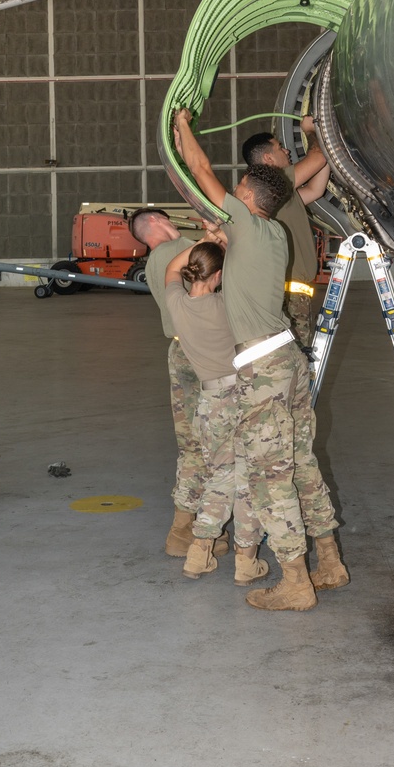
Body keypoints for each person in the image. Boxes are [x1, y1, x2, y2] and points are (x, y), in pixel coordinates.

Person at [172, 108, 349, 611]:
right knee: (303, 463)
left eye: (240, 185)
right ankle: (329, 560)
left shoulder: (249, 224)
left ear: (247, 197)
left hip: (264, 371)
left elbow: (199, 171)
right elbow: (229, 236)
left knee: (269, 477)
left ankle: (296, 581)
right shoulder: (273, 234)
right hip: (289, 360)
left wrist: (182, 124)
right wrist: (219, 234)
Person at [163, 239, 269, 586]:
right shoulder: (228, 305)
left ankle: (199, 554)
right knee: (248, 479)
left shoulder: (175, 302)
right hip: (240, 397)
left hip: (209, 404)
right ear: (220, 275)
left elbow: (170, 270)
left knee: (219, 476)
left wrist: (201, 243)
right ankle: (245, 561)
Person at [127, 207, 228, 560]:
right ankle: (205, 532)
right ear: (155, 222)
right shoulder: (173, 251)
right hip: (206, 354)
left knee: (191, 445)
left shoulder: (164, 257)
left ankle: (183, 531)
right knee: (220, 444)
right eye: (166, 216)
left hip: (180, 351)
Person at [241, 116, 330, 348]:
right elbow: (317, 157)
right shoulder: (273, 183)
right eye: (280, 147)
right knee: (295, 357)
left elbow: (315, 190)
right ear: (268, 158)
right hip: (288, 295)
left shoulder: (276, 195)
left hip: (292, 292)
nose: (287, 151)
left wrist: (328, 153)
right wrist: (312, 131)